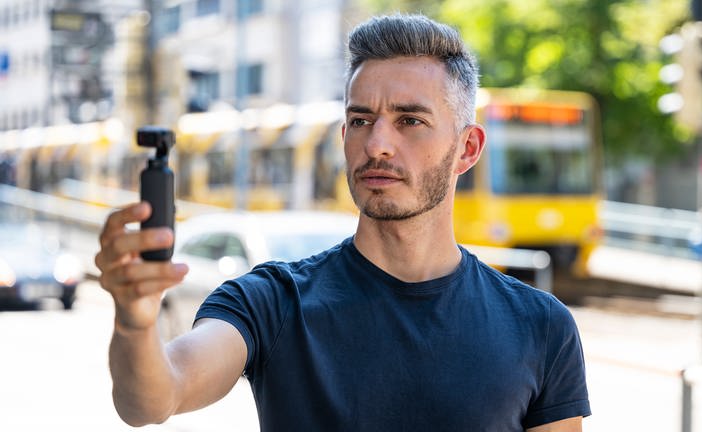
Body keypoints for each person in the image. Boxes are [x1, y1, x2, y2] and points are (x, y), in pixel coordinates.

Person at [95, 13, 591, 432]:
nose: (377, 143)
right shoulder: (270, 301)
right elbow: (154, 398)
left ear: (467, 148)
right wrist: (135, 324)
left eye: (409, 121)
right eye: (361, 119)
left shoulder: (542, 327)